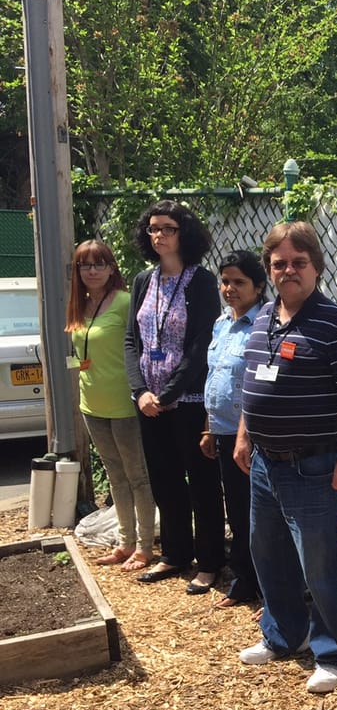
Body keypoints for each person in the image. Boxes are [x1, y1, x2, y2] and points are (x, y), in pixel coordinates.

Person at [234, 221, 337, 694]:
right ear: (269, 269)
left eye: (298, 262)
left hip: (313, 464)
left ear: (315, 267)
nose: (288, 270)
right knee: (267, 553)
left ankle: (335, 653)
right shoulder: (264, 316)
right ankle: (282, 635)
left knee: (322, 561)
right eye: (279, 263)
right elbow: (254, 382)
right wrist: (244, 435)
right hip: (265, 463)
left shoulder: (335, 322)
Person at [124, 199, 225, 592]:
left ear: (184, 233)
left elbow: (203, 344)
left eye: (167, 228)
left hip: (188, 401)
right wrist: (141, 392)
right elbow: (131, 340)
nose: (159, 235)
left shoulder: (201, 281)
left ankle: (210, 560)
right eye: (153, 229)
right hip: (149, 404)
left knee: (201, 482)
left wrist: (168, 392)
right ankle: (175, 553)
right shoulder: (143, 281)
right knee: (164, 479)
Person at [66, 240, 155, 573]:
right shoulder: (80, 305)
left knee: (137, 478)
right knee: (116, 478)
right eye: (84, 265)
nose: (91, 271)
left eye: (99, 264)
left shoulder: (124, 303)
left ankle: (145, 547)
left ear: (111, 268)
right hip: (92, 404)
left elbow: (141, 351)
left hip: (123, 404)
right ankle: (124, 543)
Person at [201, 250, 267, 608]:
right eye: (225, 281)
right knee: (238, 511)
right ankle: (245, 578)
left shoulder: (263, 325)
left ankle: (258, 581)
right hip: (223, 431)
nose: (230, 288)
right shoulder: (221, 324)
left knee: (256, 513)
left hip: (252, 436)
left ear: (258, 286)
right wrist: (208, 428)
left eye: (238, 282)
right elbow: (215, 379)